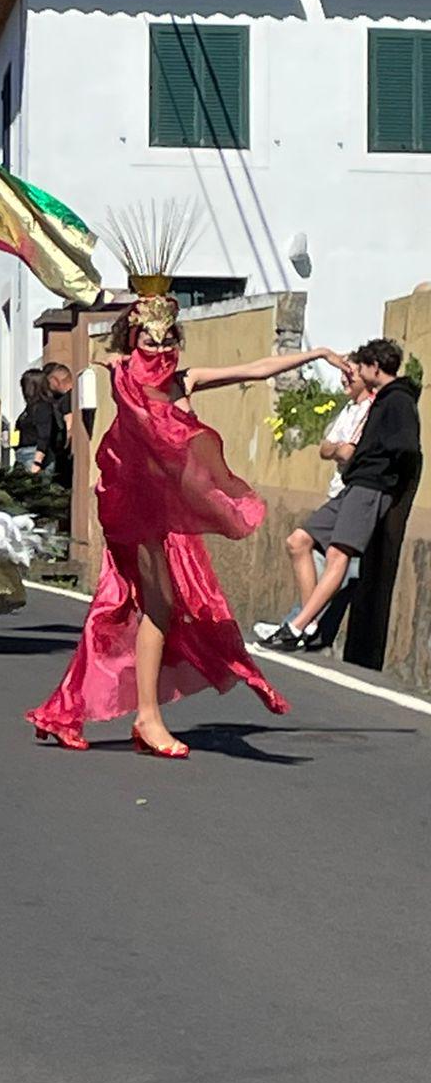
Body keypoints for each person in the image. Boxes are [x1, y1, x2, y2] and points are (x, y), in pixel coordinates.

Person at [26, 283, 345, 758]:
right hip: (133, 509)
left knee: (130, 606)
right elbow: (93, 349)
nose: (159, 349)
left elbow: (255, 369)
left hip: (169, 517)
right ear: (133, 339)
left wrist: (316, 353)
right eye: (149, 339)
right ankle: (146, 717)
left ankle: (71, 711)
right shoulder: (121, 371)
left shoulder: (184, 381)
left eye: (167, 339)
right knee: (157, 607)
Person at [255, 339, 420, 654]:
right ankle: (309, 622)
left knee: (337, 555)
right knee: (299, 541)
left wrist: (377, 467)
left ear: (374, 368)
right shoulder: (385, 399)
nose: (354, 373)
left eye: (360, 367)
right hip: (354, 484)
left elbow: (406, 447)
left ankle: (297, 627)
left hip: (370, 486)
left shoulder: (398, 400)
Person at [14, 367, 60, 475]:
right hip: (24, 454)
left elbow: (44, 435)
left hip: (33, 455)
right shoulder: (31, 407)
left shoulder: (42, 407)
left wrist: (37, 462)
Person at [45, 362, 76, 489]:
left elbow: (69, 422)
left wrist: (65, 446)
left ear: (54, 381)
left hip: (64, 454)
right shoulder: (73, 395)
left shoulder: (66, 399)